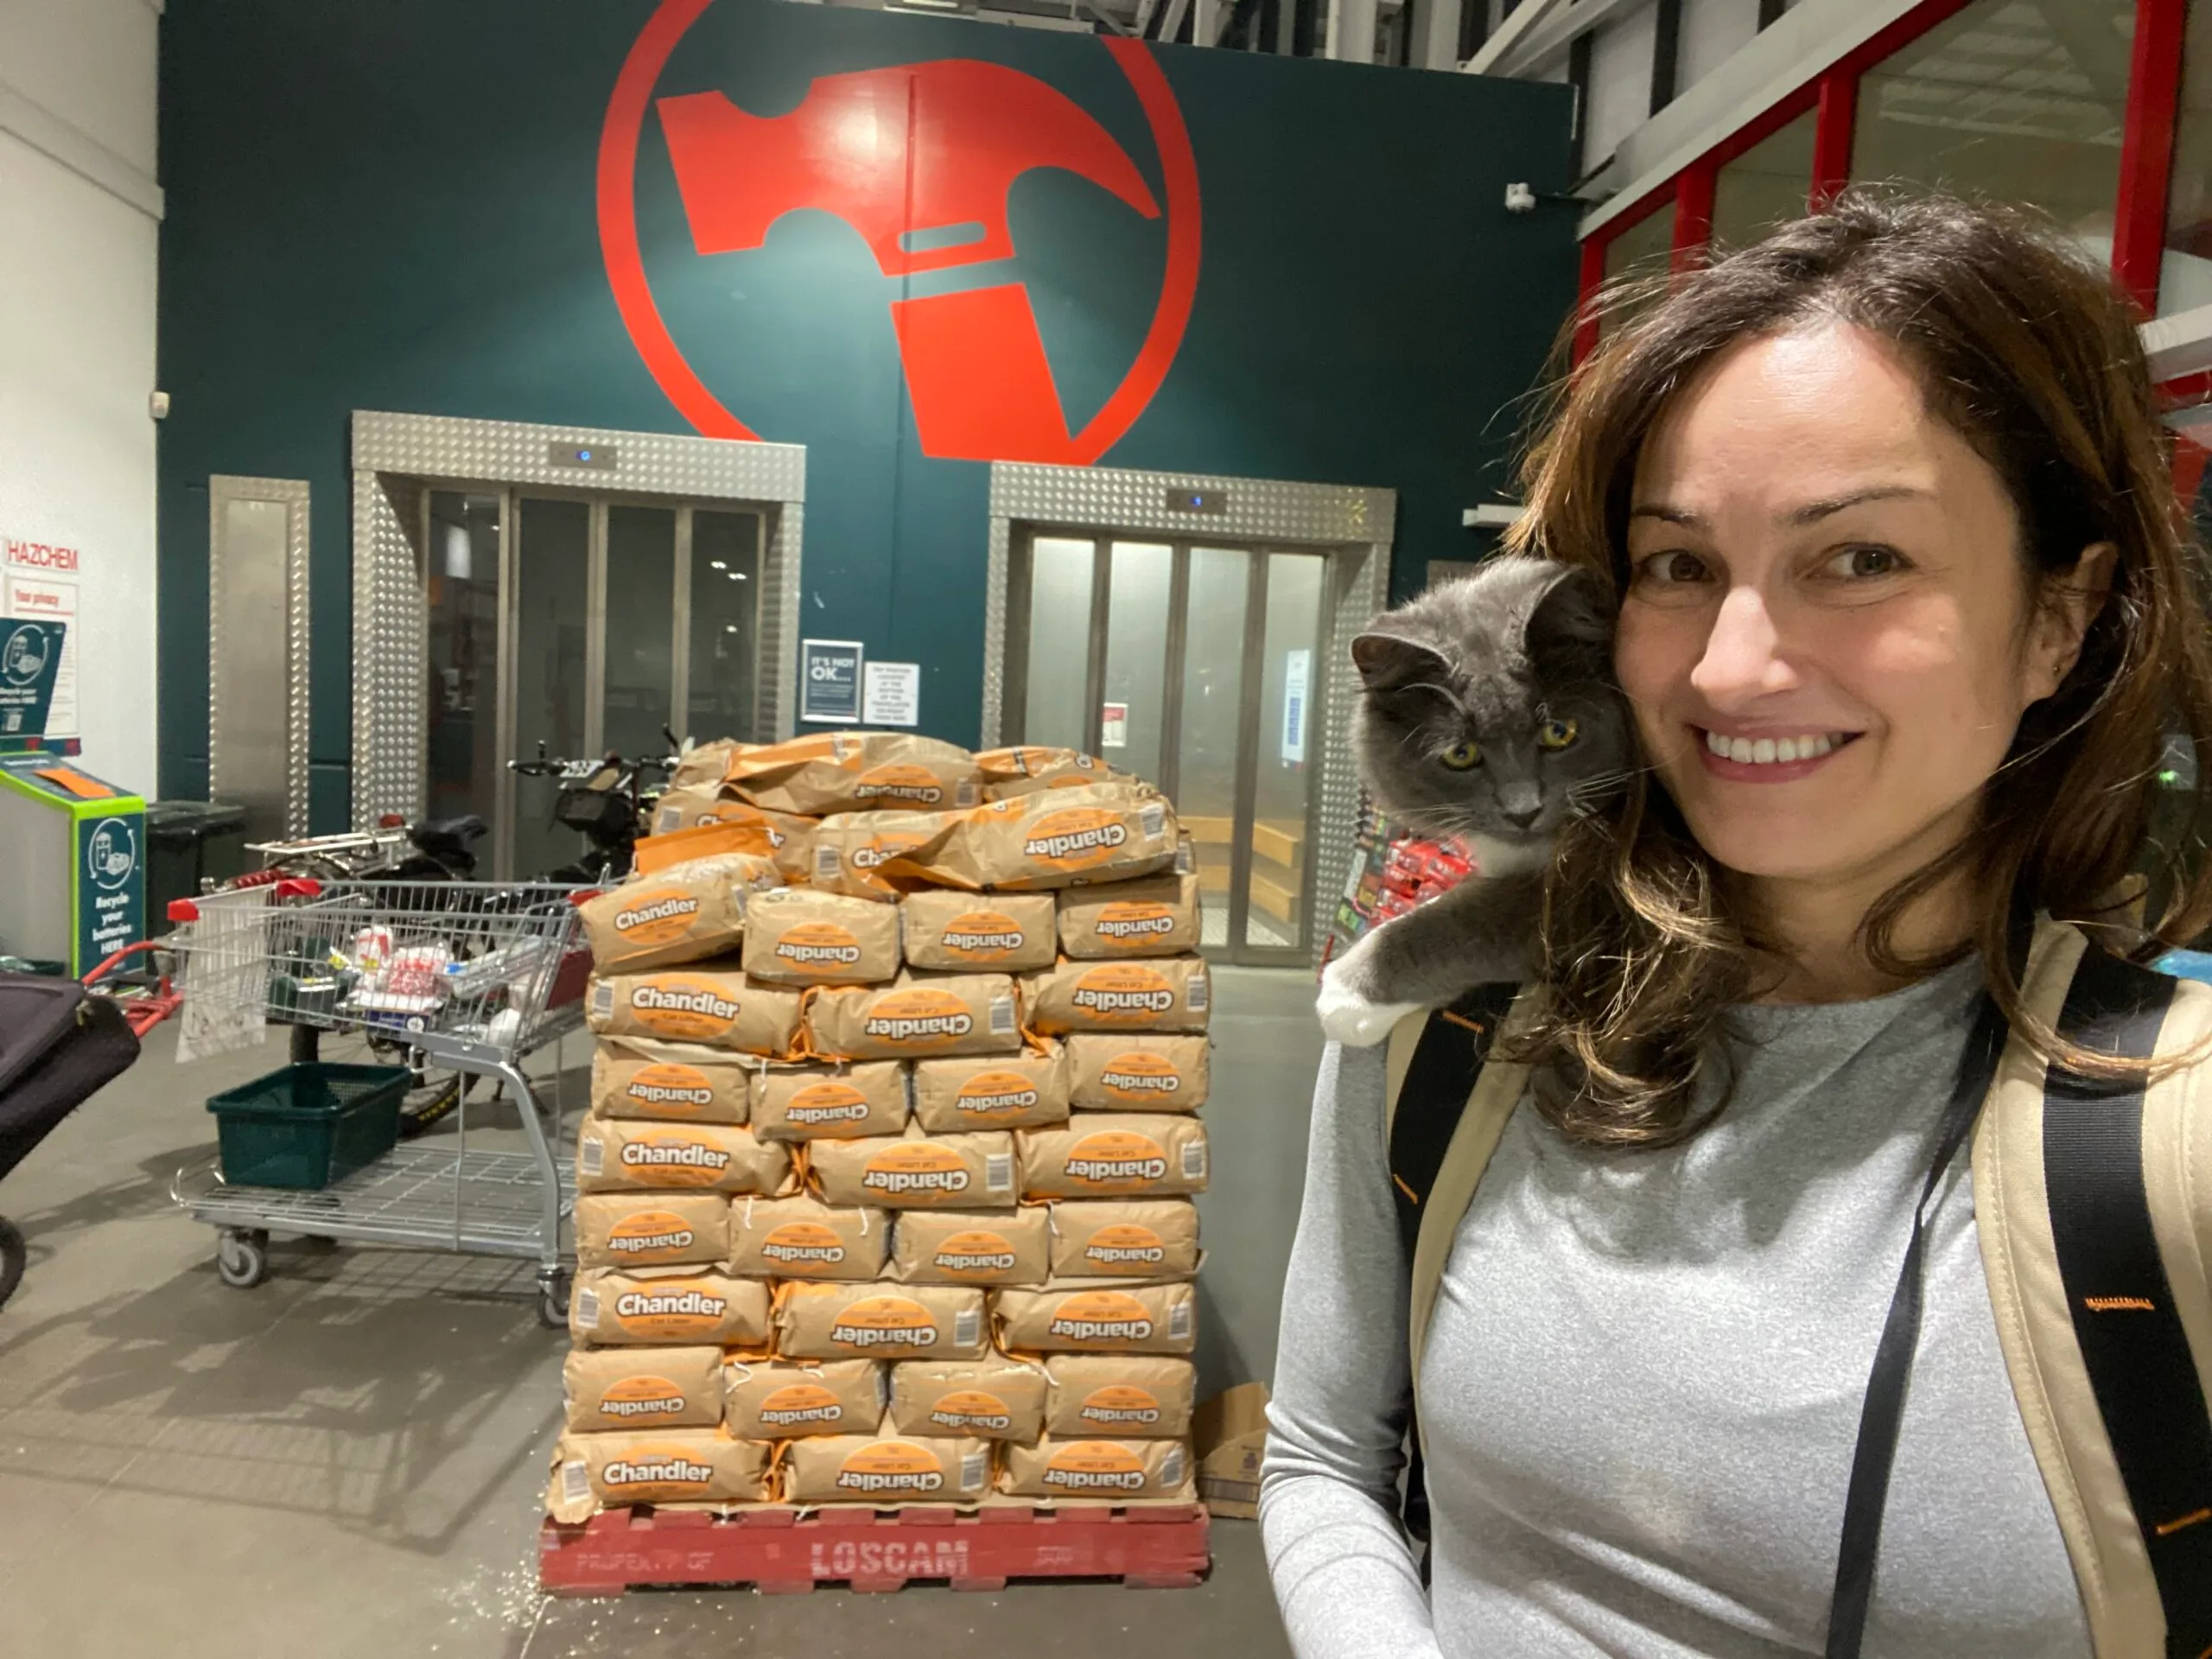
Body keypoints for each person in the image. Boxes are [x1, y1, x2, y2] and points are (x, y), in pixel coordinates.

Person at [1259, 193, 2212, 1658]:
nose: (1736, 664)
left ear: (2059, 619)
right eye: (1677, 565)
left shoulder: (2170, 1131)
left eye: (1862, 558)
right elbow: (1324, 1461)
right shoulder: (1448, 1029)